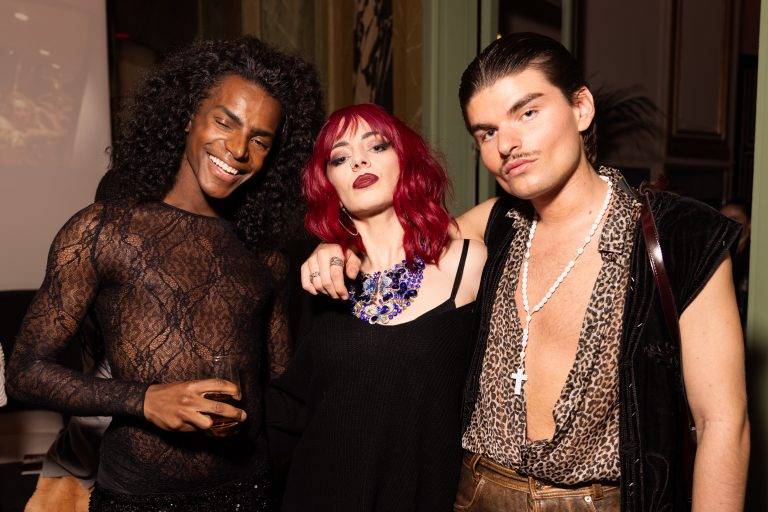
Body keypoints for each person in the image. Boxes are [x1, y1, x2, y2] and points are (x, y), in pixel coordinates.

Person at [301, 33, 749, 511]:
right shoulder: (496, 224)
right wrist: (337, 246)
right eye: (487, 132)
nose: (507, 145)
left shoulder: (678, 237)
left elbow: (723, 424)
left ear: (581, 108)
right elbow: (396, 243)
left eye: (528, 113)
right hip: (474, 496)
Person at [7, 36, 323, 511]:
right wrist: (144, 400)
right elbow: (25, 372)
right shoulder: (103, 231)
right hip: (137, 498)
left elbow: (279, 392)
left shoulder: (265, 258)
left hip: (249, 494)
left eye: (260, 140)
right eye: (225, 121)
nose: (239, 149)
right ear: (188, 115)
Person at [267, 103, 486, 511]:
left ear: (406, 160)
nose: (359, 161)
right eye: (340, 158)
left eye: (377, 146)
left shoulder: (467, 263)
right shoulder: (317, 279)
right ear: (329, 185)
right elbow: (289, 408)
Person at [721, 199, 751, 324]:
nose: (727, 223)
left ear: (749, 223)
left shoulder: (754, 254)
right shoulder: (718, 250)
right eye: (722, 219)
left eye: (734, 219)